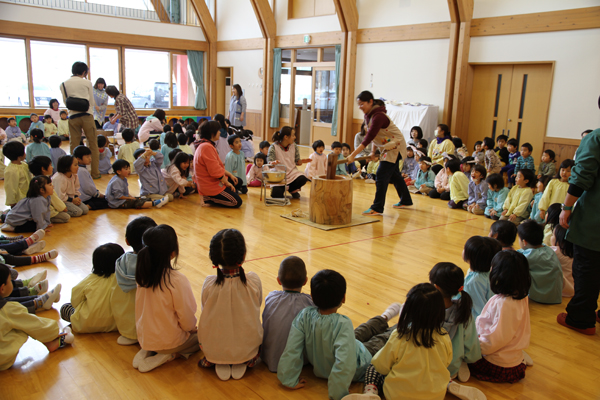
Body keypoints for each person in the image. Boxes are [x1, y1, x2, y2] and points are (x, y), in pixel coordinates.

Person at [278, 269, 401, 400]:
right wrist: (338, 391)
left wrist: (288, 378)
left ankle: (385, 317)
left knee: (362, 330)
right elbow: (344, 363)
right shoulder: (343, 323)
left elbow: (292, 349)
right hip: (361, 362)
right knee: (381, 339)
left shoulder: (304, 315)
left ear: (312, 297)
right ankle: (403, 323)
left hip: (336, 356)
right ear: (343, 298)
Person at [359, 283, 452, 400]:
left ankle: (370, 391)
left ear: (408, 310)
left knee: (373, 365)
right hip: (435, 396)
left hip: (396, 396)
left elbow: (381, 366)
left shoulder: (400, 336)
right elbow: (447, 362)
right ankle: (450, 383)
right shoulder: (444, 336)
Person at [197, 229, 263, 381]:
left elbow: (204, 311)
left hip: (213, 349)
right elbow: (257, 307)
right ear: (244, 255)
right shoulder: (253, 280)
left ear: (214, 258)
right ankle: (242, 358)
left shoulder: (208, 283)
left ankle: (219, 358)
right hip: (247, 349)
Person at [133, 225, 199, 373]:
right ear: (173, 253)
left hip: (144, 336)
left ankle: (148, 349)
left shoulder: (141, 272)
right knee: (202, 339)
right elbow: (187, 317)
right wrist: (192, 329)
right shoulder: (176, 280)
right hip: (169, 341)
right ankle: (169, 355)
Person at [558, 123, 600, 335]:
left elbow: (582, 175)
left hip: (595, 218)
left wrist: (566, 206)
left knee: (587, 269)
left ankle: (581, 318)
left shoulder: (596, 138)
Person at [346, 91, 413, 215]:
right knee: (394, 175)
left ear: (370, 102)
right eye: (358, 104)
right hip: (387, 146)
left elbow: (369, 138)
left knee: (381, 174)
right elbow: (375, 137)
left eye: (362, 104)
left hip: (395, 146)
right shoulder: (369, 116)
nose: (360, 107)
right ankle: (406, 200)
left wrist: (352, 155)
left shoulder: (378, 116)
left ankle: (377, 207)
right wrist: (372, 152)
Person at [469, 251, 531, 383]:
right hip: (512, 357)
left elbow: (496, 339)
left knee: (461, 349)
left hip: (497, 363)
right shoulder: (522, 295)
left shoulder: (504, 304)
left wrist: (474, 348)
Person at [0, 264, 73, 371]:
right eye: (10, 281)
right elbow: (36, 325)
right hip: (2, 360)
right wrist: (53, 330)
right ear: (2, 288)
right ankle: (53, 341)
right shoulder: (7, 309)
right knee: (23, 324)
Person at [429, 263, 481, 383]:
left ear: (436, 287)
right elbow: (471, 344)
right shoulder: (464, 312)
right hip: (451, 367)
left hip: (427, 367)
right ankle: (454, 371)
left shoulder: (427, 309)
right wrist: (469, 359)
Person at [261, 256, 314, 373]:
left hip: (268, 356)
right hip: (300, 362)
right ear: (305, 281)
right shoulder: (310, 303)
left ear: (278, 280)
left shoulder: (271, 297)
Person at [111, 216, 157, 346]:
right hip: (149, 331)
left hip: (124, 327)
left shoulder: (120, 262)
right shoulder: (155, 267)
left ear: (126, 241)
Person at [60, 243, 124, 333]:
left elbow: (75, 300)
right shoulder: (124, 280)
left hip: (85, 324)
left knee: (65, 308)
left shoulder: (90, 280)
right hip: (117, 324)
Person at [60, 61, 100, 178]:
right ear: (84, 72)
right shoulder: (87, 82)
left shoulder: (63, 84)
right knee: (92, 144)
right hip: (87, 115)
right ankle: (95, 173)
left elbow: (65, 101)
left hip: (72, 116)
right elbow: (91, 101)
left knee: (74, 144)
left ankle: (73, 172)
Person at [193, 121, 242, 208]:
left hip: (214, 180)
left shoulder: (207, 145)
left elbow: (218, 167)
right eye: (218, 130)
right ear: (212, 133)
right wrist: (227, 183)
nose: (220, 132)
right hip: (210, 185)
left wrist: (230, 175)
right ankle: (208, 198)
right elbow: (215, 172)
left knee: (238, 181)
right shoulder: (206, 147)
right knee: (236, 202)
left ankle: (222, 193)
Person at [517, 220, 562, 304]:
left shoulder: (527, 257)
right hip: (554, 295)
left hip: (539, 296)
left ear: (524, 242)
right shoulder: (549, 250)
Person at [462, 236, 502, 318]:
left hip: (479, 321)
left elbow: (478, 309)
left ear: (470, 258)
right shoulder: (491, 272)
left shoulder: (474, 281)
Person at [267, 126, 309, 199]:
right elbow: (269, 164)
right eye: (293, 135)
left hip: (292, 173)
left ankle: (292, 189)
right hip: (278, 174)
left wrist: (300, 161)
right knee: (276, 195)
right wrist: (272, 163)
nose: (295, 137)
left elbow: (297, 161)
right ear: (286, 137)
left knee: (303, 178)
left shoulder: (294, 146)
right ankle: (281, 188)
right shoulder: (273, 147)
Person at [27, 156, 70, 225]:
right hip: (45, 211)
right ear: (43, 169)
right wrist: (62, 208)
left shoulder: (35, 180)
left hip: (42, 209)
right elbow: (53, 197)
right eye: (50, 165)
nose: (52, 167)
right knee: (66, 217)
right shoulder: (44, 182)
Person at [74, 146, 109, 210]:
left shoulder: (80, 169)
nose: (90, 158)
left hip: (81, 197)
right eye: (87, 157)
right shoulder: (81, 170)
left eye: (90, 156)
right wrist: (98, 194)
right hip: (83, 198)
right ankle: (87, 206)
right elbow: (87, 188)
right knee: (105, 201)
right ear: (78, 159)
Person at [3, 141, 31, 207]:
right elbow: (10, 187)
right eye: (24, 151)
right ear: (19, 154)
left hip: (28, 196)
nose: (25, 153)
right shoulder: (10, 170)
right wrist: (12, 203)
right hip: (19, 200)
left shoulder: (24, 165)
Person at [551, 225, 574, 298]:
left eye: (553, 235)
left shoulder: (555, 251)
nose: (551, 237)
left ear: (559, 240)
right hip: (574, 288)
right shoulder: (575, 252)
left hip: (560, 290)